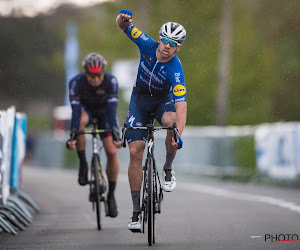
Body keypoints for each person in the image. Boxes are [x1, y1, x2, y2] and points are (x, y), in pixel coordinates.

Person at [116, 10, 187, 232]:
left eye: (173, 44)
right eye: (165, 40)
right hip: (139, 101)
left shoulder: (176, 70)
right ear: (159, 38)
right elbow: (122, 26)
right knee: (135, 152)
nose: (167, 46)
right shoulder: (146, 43)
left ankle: (167, 167)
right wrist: (123, 19)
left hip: (162, 103)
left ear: (178, 48)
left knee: (171, 123)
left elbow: (181, 106)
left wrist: (179, 136)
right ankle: (136, 212)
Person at [66, 53, 122, 218]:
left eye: (99, 75)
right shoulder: (76, 82)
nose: (95, 79)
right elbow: (75, 113)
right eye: (91, 75)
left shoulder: (111, 81)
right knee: (81, 121)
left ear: (104, 73)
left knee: (112, 151)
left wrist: (117, 136)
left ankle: (111, 195)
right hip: (86, 112)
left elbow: (112, 113)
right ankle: (83, 164)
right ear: (85, 73)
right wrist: (73, 137)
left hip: (105, 114)